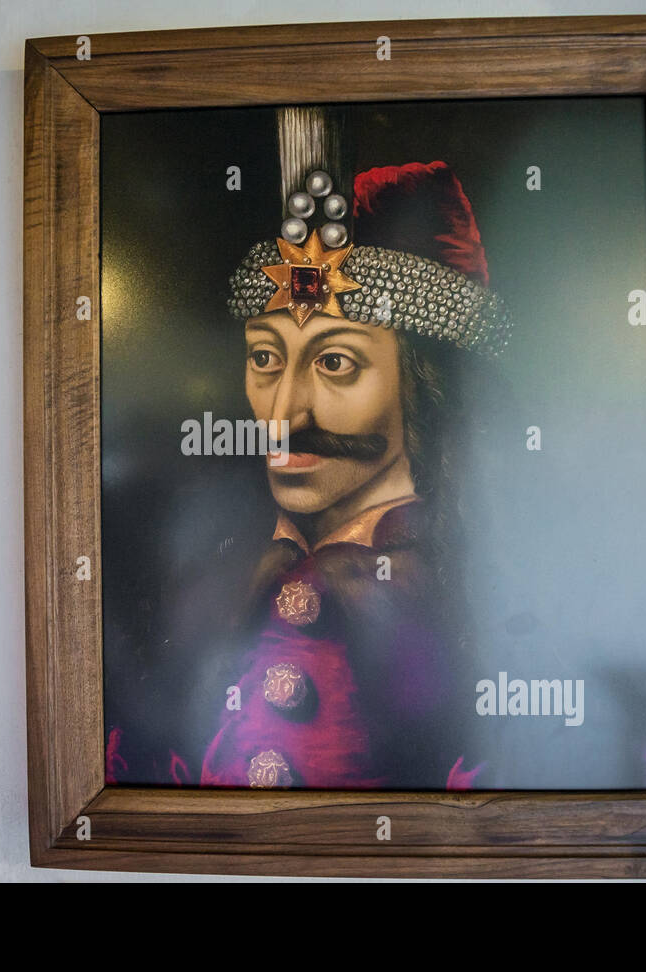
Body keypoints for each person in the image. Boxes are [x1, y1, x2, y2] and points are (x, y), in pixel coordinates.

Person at [107, 136, 511, 791]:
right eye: (266, 358)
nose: (285, 408)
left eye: (334, 363)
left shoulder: (480, 594)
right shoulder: (211, 565)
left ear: (424, 387)